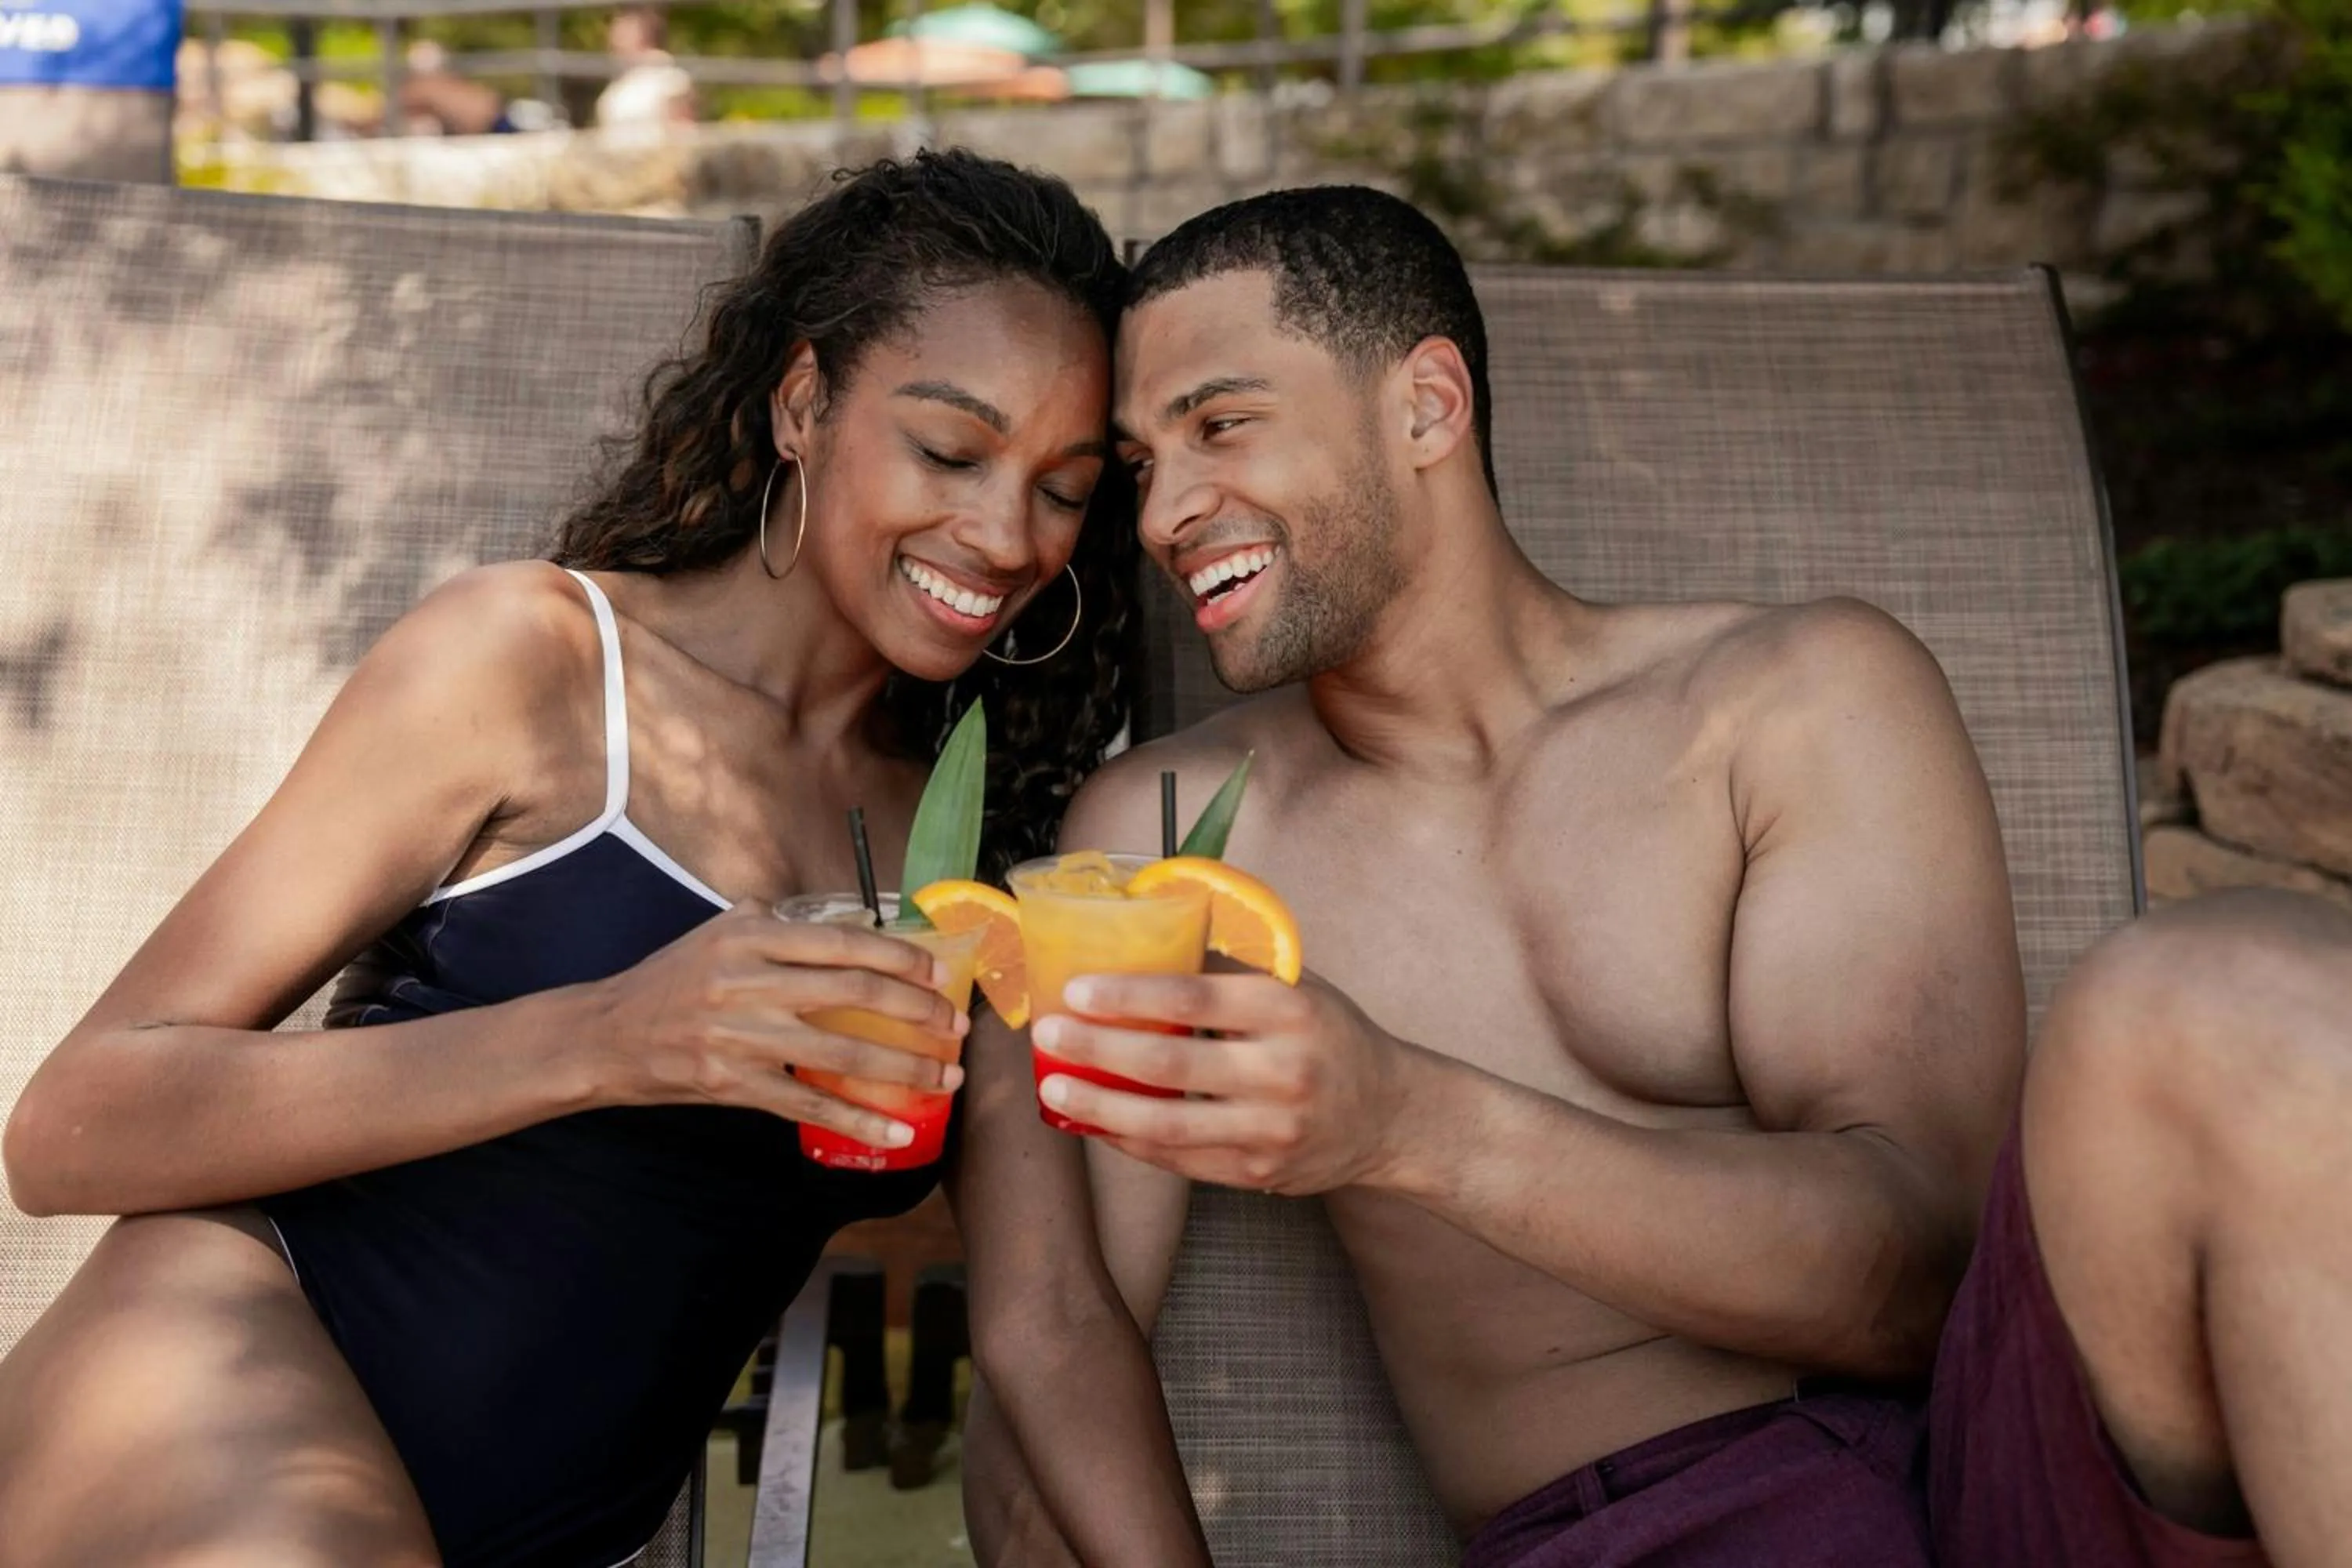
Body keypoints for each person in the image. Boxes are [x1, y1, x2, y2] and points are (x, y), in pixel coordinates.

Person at [975, 184, 2350, 1566]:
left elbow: (1924, 1276)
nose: (1167, 515)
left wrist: (1406, 1125)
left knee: (2218, 994)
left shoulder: (1795, 701)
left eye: (1221, 425)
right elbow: (1050, 1374)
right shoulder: (1165, 841)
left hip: (1999, 1475)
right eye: (1145, 465)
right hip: (1657, 1531)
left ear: (1427, 406)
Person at [0, 151, 1206, 1568]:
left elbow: (1052, 1325)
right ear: (806, 403)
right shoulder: (540, 665)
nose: (1004, 536)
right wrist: (615, 1035)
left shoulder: (963, 875)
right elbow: (77, 1124)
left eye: (1063, 491)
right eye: (949, 452)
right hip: (222, 1365)